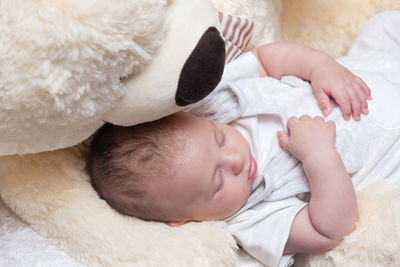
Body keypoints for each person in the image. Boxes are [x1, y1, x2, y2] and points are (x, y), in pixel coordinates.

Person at [86, 11, 400, 267]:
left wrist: (321, 67)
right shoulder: (251, 219)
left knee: (384, 24)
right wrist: (320, 158)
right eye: (217, 181)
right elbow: (331, 230)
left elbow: (266, 59)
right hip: (390, 149)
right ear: (183, 220)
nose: (235, 160)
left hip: (367, 69)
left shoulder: (216, 105)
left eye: (220, 139)